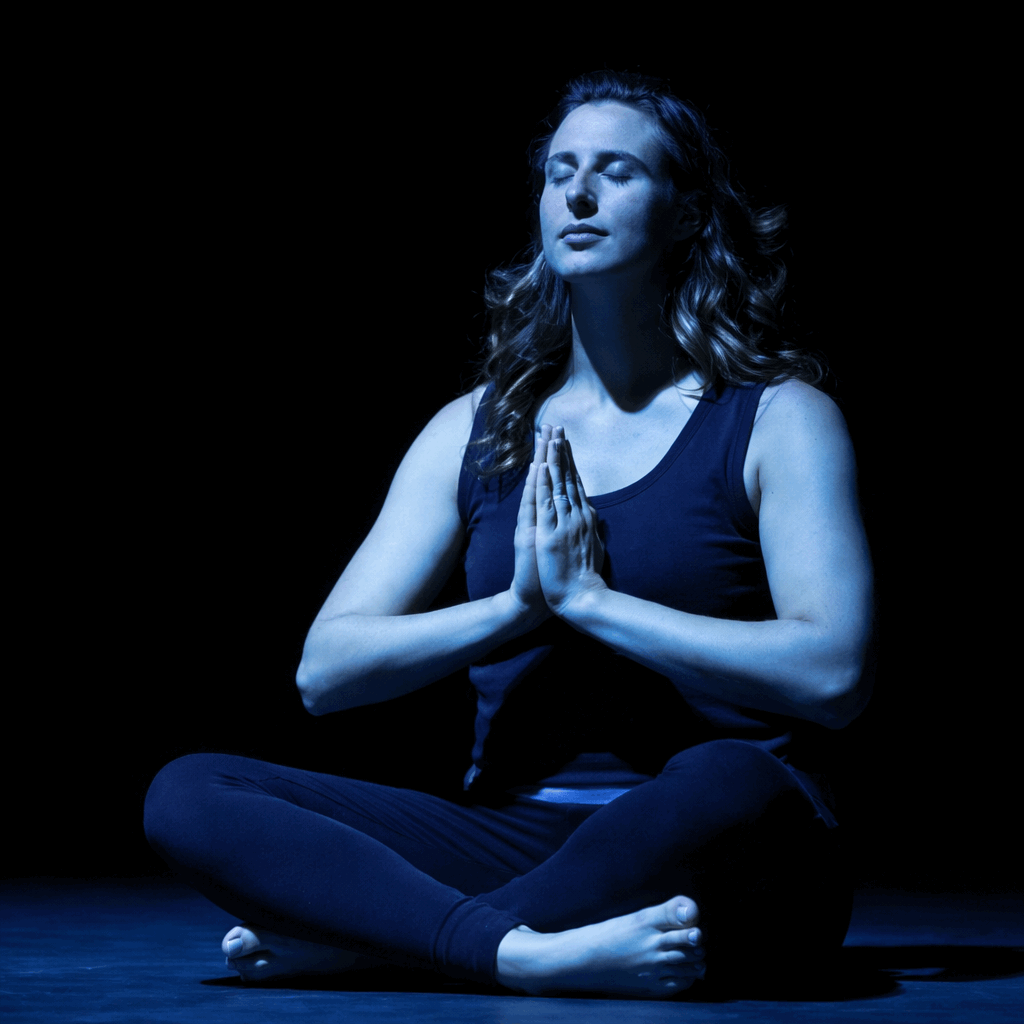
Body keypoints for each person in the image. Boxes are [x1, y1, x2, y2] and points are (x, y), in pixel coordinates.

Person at [144, 71, 873, 999]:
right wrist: (520, 608)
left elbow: (833, 676)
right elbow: (326, 674)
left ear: (688, 216)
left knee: (730, 778)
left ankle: (395, 945)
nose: (577, 194)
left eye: (617, 173)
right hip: (511, 835)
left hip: (718, 846)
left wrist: (595, 605)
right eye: (560, 172)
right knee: (191, 792)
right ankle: (518, 951)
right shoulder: (474, 429)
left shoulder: (775, 420)